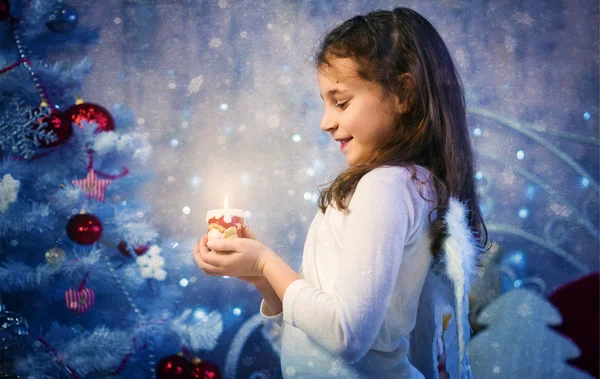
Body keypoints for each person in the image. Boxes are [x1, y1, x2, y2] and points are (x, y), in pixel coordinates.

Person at [194, 7, 489, 379]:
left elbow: (346, 334)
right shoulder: (406, 184)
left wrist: (266, 261)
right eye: (324, 102)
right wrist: (259, 278)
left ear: (403, 93)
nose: (325, 121)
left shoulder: (386, 186)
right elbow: (323, 318)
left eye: (341, 101)